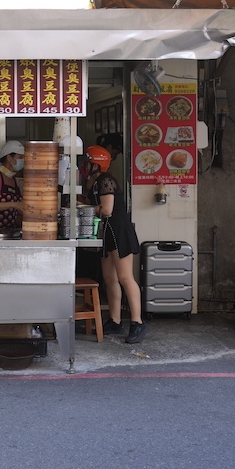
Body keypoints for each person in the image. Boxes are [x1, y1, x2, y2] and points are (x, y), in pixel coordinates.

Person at [85, 144, 146, 344]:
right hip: (107, 232)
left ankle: (137, 322)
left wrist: (86, 207)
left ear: (96, 164)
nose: (84, 166)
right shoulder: (94, 182)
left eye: (88, 162)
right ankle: (115, 320)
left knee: (125, 277)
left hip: (119, 231)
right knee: (109, 278)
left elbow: (107, 209)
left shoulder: (106, 180)